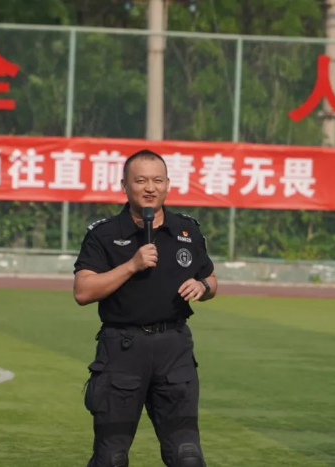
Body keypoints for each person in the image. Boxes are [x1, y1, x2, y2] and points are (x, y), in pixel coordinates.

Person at [73, 149, 218, 467]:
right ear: (124, 186)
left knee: (187, 456)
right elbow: (82, 292)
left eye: (157, 180)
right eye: (140, 181)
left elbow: (210, 278)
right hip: (122, 350)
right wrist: (132, 265)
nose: (150, 188)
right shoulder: (104, 234)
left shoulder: (187, 231)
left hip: (174, 350)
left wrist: (203, 287)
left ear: (168, 184)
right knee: (111, 457)